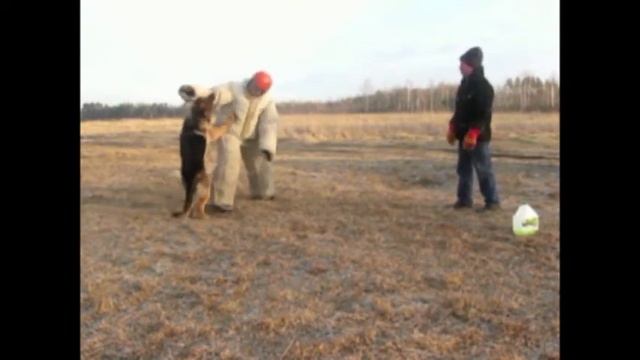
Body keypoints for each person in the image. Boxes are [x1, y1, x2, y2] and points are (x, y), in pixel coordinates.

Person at [178, 71, 279, 213]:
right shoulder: (234, 89)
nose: (256, 90)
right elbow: (213, 94)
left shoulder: (267, 101)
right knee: (229, 162)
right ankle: (222, 201)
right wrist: (193, 91)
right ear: (251, 81)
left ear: (265, 91)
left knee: (260, 161)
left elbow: (269, 123)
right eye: (254, 86)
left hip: (251, 135)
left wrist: (267, 146)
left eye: (260, 89)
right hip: (230, 131)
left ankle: (263, 192)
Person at [447, 47, 501, 211]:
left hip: (478, 137)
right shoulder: (464, 86)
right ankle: (464, 200)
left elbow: (483, 114)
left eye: (462, 63)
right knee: (463, 170)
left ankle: (492, 202)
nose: (459, 67)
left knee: (483, 169)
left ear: (470, 65)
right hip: (463, 136)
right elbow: (460, 111)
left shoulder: (484, 87)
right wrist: (452, 126)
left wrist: (474, 132)